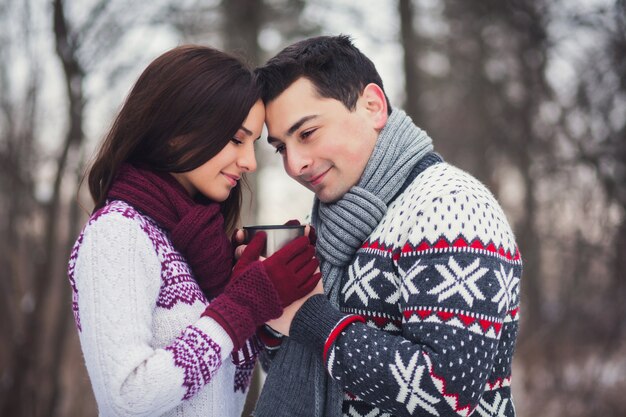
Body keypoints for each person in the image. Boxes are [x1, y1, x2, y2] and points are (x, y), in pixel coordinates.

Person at [252, 35, 522, 417]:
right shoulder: (335, 226)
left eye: (307, 133)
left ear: (373, 106)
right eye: (281, 147)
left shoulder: (451, 205)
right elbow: (311, 377)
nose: (294, 164)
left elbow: (446, 392)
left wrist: (308, 316)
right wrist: (272, 309)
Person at [67, 45, 321, 417]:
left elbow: (220, 376)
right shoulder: (118, 234)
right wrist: (241, 305)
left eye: (253, 144)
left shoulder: (200, 248)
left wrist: (266, 294)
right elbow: (125, 397)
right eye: (237, 139)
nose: (249, 162)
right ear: (176, 132)